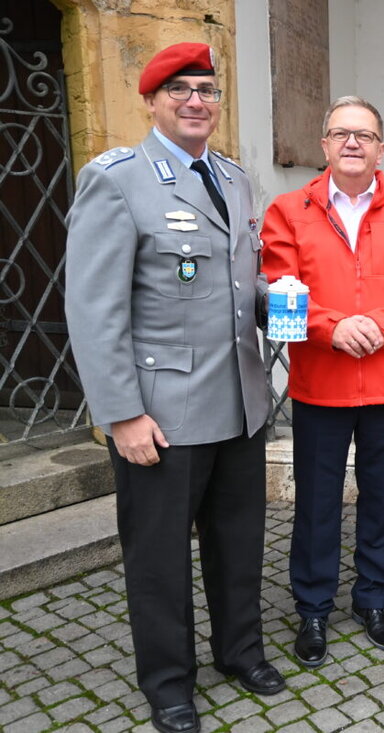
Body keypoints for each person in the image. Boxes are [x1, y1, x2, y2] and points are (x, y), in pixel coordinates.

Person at [64, 42, 284, 733]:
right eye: (181, 89)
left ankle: (239, 651)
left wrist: (275, 301)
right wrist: (121, 413)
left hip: (240, 399)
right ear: (152, 100)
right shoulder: (117, 179)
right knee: (159, 556)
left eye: (209, 90)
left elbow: (236, 281)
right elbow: (95, 308)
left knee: (238, 539)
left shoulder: (236, 178)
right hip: (161, 410)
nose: (198, 101)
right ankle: (167, 680)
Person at [260, 97, 384, 667]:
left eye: (364, 135)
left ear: (380, 148)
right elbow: (277, 289)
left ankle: (374, 599)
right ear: (324, 144)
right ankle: (314, 607)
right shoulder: (287, 211)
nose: (352, 143)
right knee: (317, 504)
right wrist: (332, 328)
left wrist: (379, 324)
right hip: (321, 383)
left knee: (381, 501)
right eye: (341, 134)